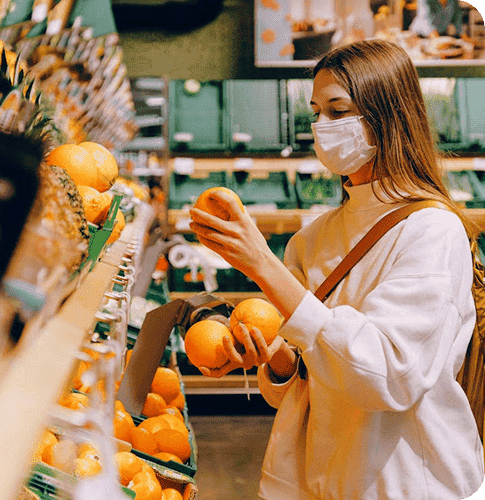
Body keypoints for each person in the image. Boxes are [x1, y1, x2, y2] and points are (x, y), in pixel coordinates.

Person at [189, 39, 484, 499]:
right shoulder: (313, 238)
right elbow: (304, 385)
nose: (321, 127)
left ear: (387, 116)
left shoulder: (433, 231)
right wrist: (273, 358)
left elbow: (387, 379)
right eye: (316, 112)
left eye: (338, 111)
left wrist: (263, 264)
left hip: (402, 485)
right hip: (318, 481)